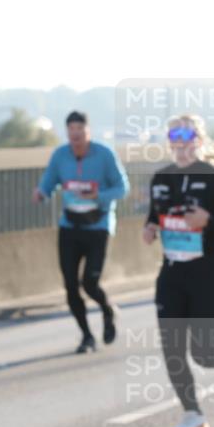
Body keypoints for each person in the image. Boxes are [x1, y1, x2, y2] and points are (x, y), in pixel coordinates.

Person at [143, 115, 214, 427]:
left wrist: (210, 220)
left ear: (199, 142)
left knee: (203, 352)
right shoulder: (161, 178)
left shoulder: (213, 176)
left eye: (187, 137)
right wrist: (150, 227)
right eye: (174, 137)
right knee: (171, 348)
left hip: (209, 272)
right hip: (173, 272)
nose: (180, 145)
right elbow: (156, 214)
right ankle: (192, 413)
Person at [33, 111, 129, 353]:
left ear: (88, 131)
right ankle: (87, 336)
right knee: (70, 284)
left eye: (80, 130)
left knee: (90, 282)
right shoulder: (60, 155)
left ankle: (107, 310)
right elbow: (49, 181)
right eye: (71, 131)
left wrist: (99, 196)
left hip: (97, 226)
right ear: (67, 133)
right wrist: (41, 193)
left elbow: (122, 188)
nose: (76, 135)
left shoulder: (104, 155)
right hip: (70, 226)